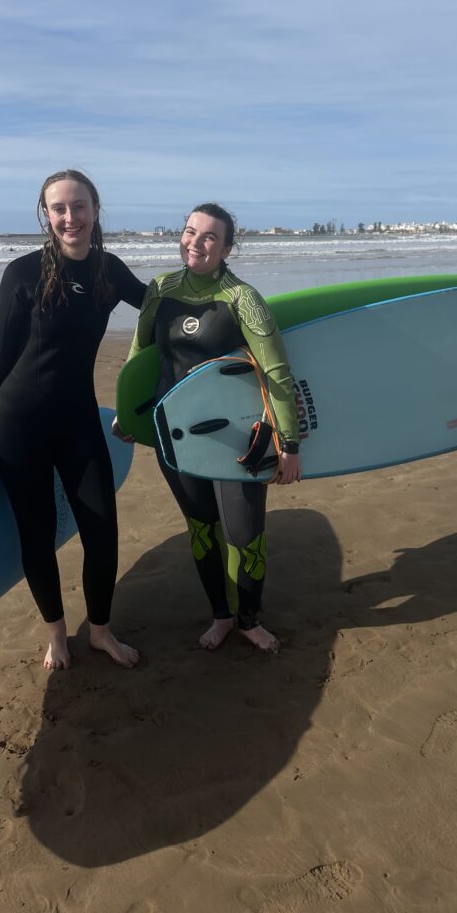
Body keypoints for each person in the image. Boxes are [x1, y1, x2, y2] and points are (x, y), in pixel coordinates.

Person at [0, 170, 148, 670]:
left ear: (95, 209)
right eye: (58, 208)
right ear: (46, 215)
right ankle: (57, 635)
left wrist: (215, 303)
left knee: (102, 531)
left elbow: (158, 310)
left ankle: (100, 632)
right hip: (19, 424)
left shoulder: (109, 270)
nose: (69, 218)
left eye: (78, 206)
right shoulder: (21, 273)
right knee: (36, 536)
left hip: (78, 421)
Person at [115, 202, 300, 653]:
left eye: (209, 237)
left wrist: (289, 443)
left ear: (227, 248)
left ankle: (249, 620)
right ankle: (221, 615)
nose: (195, 243)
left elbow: (276, 373)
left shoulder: (242, 298)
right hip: (175, 436)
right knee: (202, 528)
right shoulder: (160, 289)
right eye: (189, 232)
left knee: (244, 532)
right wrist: (128, 412)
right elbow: (141, 354)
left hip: (238, 438)